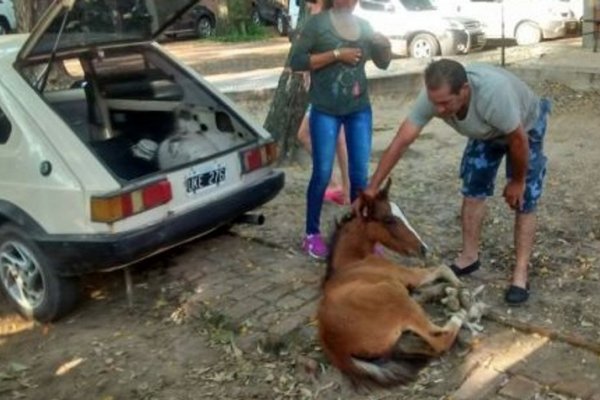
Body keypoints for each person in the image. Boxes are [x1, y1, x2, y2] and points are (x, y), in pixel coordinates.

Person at [357, 59, 550, 304]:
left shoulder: (494, 95)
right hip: (485, 132)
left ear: (465, 90)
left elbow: (518, 139)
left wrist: (518, 181)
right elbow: (402, 140)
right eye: (434, 103)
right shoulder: (435, 97)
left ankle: (520, 273)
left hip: (525, 128)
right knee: (472, 189)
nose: (438, 110)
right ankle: (469, 257)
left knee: (524, 200)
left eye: (445, 103)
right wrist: (373, 186)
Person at [290, 0, 392, 260]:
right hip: (325, 110)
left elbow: (383, 64)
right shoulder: (317, 24)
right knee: (322, 172)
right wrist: (336, 55)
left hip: (359, 110)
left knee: (360, 176)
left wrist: (384, 47)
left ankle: (361, 233)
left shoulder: (364, 25)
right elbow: (297, 61)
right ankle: (311, 234)